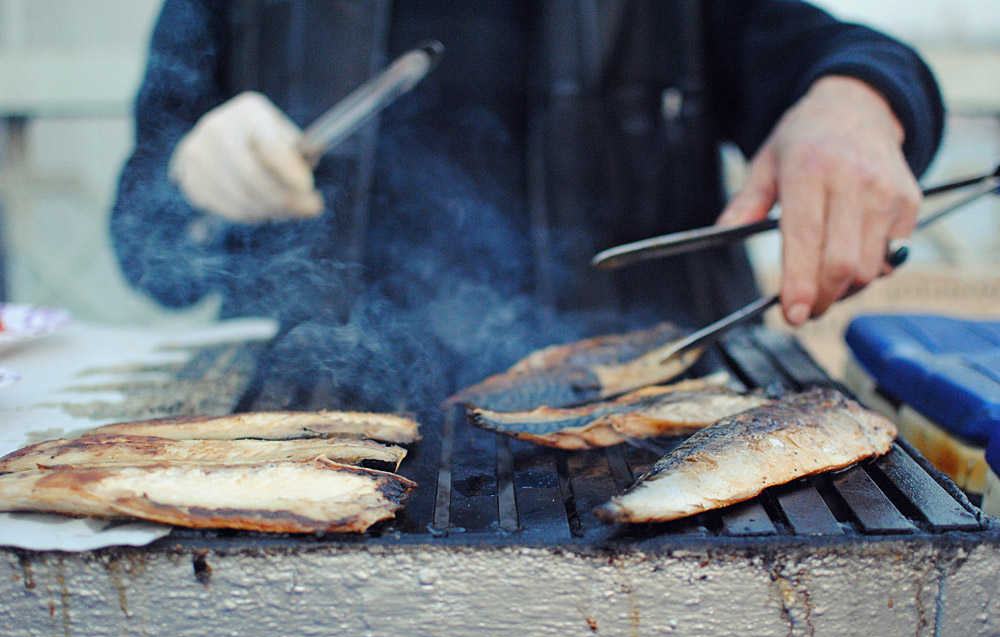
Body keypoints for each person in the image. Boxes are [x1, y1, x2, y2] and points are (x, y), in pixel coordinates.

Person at [110, 0, 943, 409]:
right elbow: (139, 236)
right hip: (315, 420)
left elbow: (842, 52)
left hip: (639, 415)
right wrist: (189, 188)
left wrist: (857, 101)